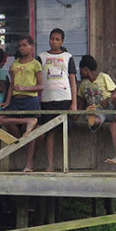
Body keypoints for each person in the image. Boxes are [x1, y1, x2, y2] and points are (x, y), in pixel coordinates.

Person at [0, 35, 44, 172]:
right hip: (16, 100)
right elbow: (11, 86)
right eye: (19, 46)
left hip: (30, 100)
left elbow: (41, 86)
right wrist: (7, 101)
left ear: (31, 46)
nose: (21, 48)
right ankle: (29, 120)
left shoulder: (35, 64)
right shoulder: (14, 64)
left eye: (24, 45)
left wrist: (25, 88)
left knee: (32, 134)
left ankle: (28, 165)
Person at [77, 54, 116, 165]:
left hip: (109, 108)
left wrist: (108, 99)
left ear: (86, 69)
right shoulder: (83, 84)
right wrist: (76, 115)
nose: (80, 73)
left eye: (81, 70)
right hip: (97, 112)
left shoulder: (103, 77)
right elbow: (81, 101)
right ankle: (91, 116)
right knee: (93, 121)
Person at [38, 28, 77, 172]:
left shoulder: (68, 56)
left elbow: (72, 79)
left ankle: (65, 164)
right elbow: (37, 80)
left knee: (66, 133)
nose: (54, 41)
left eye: (57, 39)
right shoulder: (41, 57)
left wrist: (74, 102)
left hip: (65, 99)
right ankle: (50, 165)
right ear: (49, 39)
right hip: (47, 100)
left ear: (62, 41)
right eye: (52, 38)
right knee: (50, 133)